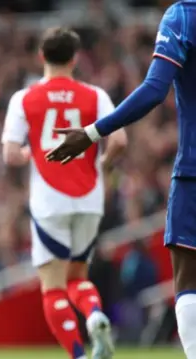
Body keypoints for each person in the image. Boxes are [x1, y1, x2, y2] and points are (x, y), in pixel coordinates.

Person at [44, 2, 196, 358]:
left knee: (189, 282)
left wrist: (93, 132)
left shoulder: (184, 15)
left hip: (193, 173)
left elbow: (154, 90)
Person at [2, 27, 127, 359]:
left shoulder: (24, 98)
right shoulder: (96, 95)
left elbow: (10, 154)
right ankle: (96, 315)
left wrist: (31, 154)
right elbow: (120, 141)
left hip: (48, 201)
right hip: (89, 197)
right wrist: (101, 165)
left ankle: (78, 354)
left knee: (53, 286)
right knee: (78, 277)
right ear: (75, 58)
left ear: (41, 56)